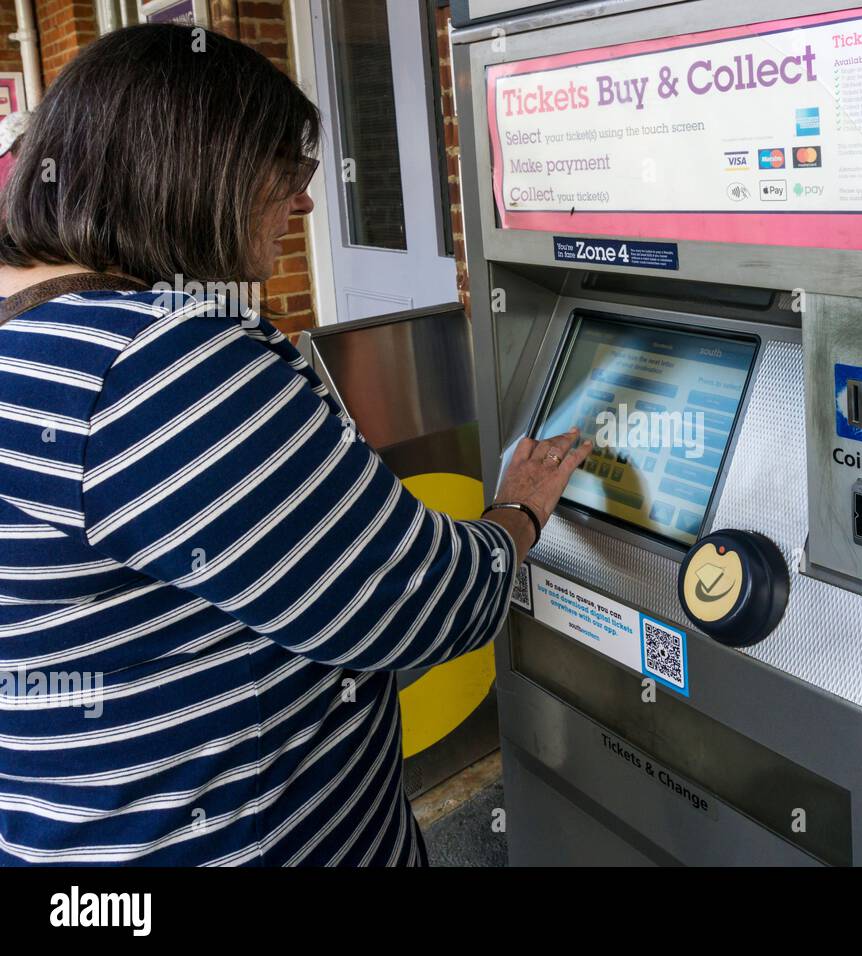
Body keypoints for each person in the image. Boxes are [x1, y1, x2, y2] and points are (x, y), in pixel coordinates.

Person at [0, 24, 589, 865]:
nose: (307, 203)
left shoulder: (33, 330)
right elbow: (423, 605)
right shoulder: (161, 365)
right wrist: (520, 512)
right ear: (205, 171)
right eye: (291, 170)